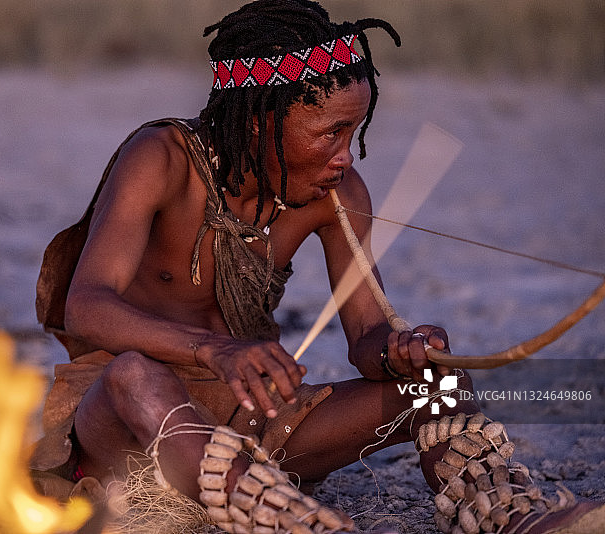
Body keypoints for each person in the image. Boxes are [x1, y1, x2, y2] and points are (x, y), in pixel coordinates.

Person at [30, 1, 604, 532]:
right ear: (260, 122)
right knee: (135, 374)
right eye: (331, 132)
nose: (345, 155)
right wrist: (215, 350)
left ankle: (510, 518)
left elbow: (366, 335)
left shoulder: (338, 194)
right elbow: (87, 306)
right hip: (130, 427)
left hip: (253, 428)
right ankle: (284, 520)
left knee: (440, 386)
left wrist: (399, 350)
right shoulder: (162, 159)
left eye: (353, 131)